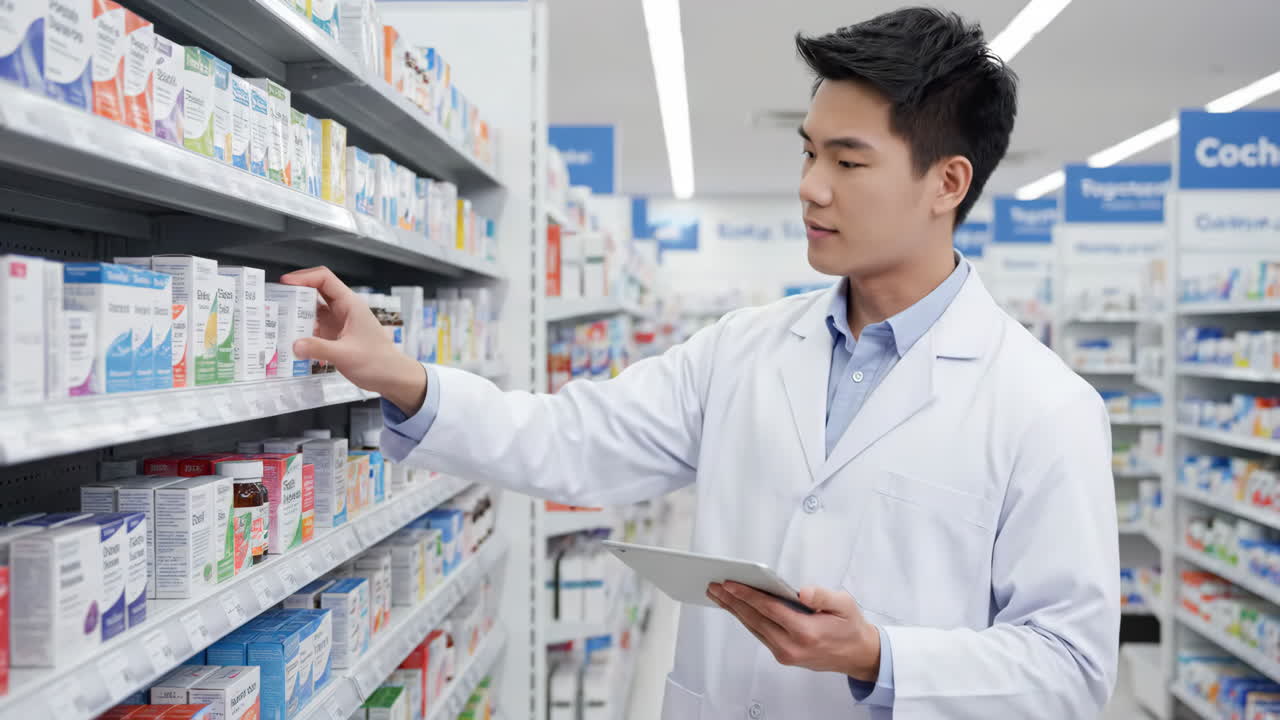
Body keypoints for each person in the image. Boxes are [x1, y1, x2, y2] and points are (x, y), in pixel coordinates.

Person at [282, 7, 1118, 718]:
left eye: (848, 161)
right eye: (808, 151)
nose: (811, 186)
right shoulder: (744, 348)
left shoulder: (1044, 406)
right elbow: (574, 438)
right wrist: (401, 377)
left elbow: (1072, 670)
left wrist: (880, 657)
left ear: (948, 182)